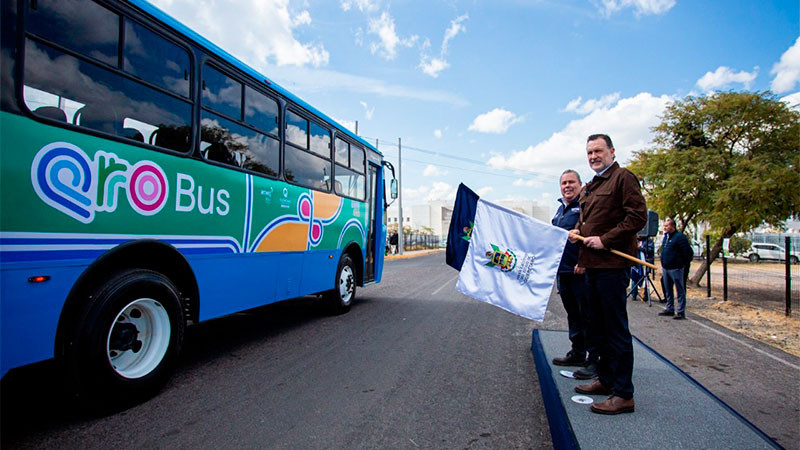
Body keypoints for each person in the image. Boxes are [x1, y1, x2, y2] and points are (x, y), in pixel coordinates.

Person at [569, 134, 647, 415]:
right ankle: (606, 380)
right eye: (589, 152)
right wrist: (579, 234)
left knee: (615, 331)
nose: (593, 156)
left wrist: (606, 239)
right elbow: (588, 222)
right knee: (597, 328)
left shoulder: (623, 178)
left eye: (598, 151)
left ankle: (624, 394)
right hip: (593, 266)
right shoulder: (591, 186)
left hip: (612, 267)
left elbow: (638, 217)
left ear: (612, 151)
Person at [550, 170, 599, 379]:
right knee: (573, 315)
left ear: (580, 184)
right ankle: (578, 353)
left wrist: (583, 260)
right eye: (563, 183)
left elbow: (590, 233)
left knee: (588, 316)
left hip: (580, 270)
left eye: (571, 182)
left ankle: (594, 360)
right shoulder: (561, 209)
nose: (567, 186)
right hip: (564, 271)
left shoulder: (585, 207)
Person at [658, 217, 694, 320]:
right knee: (668, 289)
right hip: (666, 267)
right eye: (664, 226)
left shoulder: (680, 237)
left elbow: (687, 252)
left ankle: (680, 311)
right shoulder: (666, 237)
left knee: (680, 289)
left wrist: (681, 263)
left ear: (672, 226)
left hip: (676, 268)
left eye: (667, 226)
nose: (665, 227)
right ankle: (670, 308)